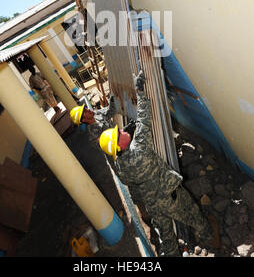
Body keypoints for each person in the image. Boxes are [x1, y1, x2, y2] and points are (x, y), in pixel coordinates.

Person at [70, 71, 217, 257]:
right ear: (121, 144)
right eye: (119, 133)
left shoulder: (122, 168)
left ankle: (172, 253)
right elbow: (144, 118)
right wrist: (139, 90)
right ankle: (209, 235)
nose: (121, 131)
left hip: (152, 203)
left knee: (166, 234)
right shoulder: (139, 147)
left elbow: (126, 167)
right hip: (169, 195)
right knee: (191, 214)